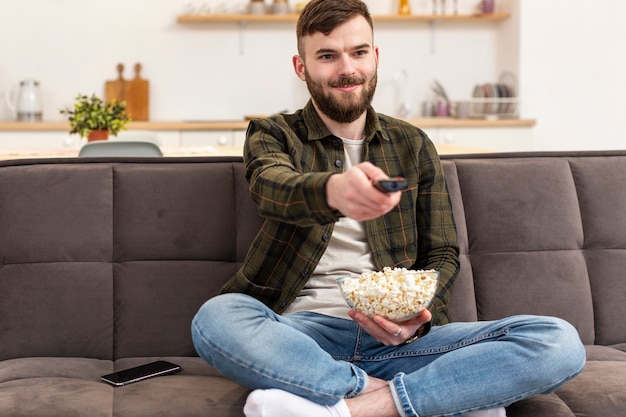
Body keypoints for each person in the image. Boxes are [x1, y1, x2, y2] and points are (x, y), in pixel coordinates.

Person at [191, 1, 586, 416]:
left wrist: (418, 317)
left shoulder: (411, 144)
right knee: (216, 318)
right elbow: (273, 187)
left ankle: (348, 408)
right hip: (298, 338)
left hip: (401, 341)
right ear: (301, 66)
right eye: (327, 56)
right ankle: (417, 395)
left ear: (375, 57)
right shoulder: (273, 133)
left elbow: (442, 253)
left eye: (359, 52)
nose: (347, 69)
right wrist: (334, 190)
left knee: (557, 341)